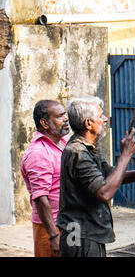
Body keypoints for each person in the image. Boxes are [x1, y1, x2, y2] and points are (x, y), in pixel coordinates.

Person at [57, 95, 135, 257]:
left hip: (88, 234)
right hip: (81, 237)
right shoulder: (78, 152)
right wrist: (125, 156)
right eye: (101, 116)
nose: (105, 119)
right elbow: (105, 192)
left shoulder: (87, 148)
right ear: (88, 123)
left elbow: (110, 176)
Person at [20, 100, 70, 257]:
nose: (66, 119)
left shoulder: (64, 142)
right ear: (45, 123)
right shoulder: (38, 153)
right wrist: (53, 235)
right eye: (60, 116)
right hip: (51, 226)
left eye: (65, 114)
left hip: (70, 223)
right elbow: (41, 198)